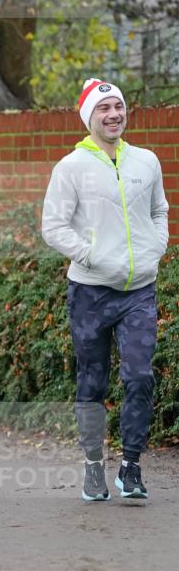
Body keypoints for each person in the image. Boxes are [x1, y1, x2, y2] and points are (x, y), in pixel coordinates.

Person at [42, 78, 169, 502]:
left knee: (139, 376)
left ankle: (130, 467)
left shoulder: (146, 161)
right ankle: (94, 464)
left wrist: (156, 247)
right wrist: (91, 255)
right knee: (92, 382)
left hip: (139, 290)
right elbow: (53, 227)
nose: (114, 114)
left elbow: (159, 210)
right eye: (104, 109)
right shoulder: (71, 168)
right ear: (89, 117)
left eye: (118, 106)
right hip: (90, 293)